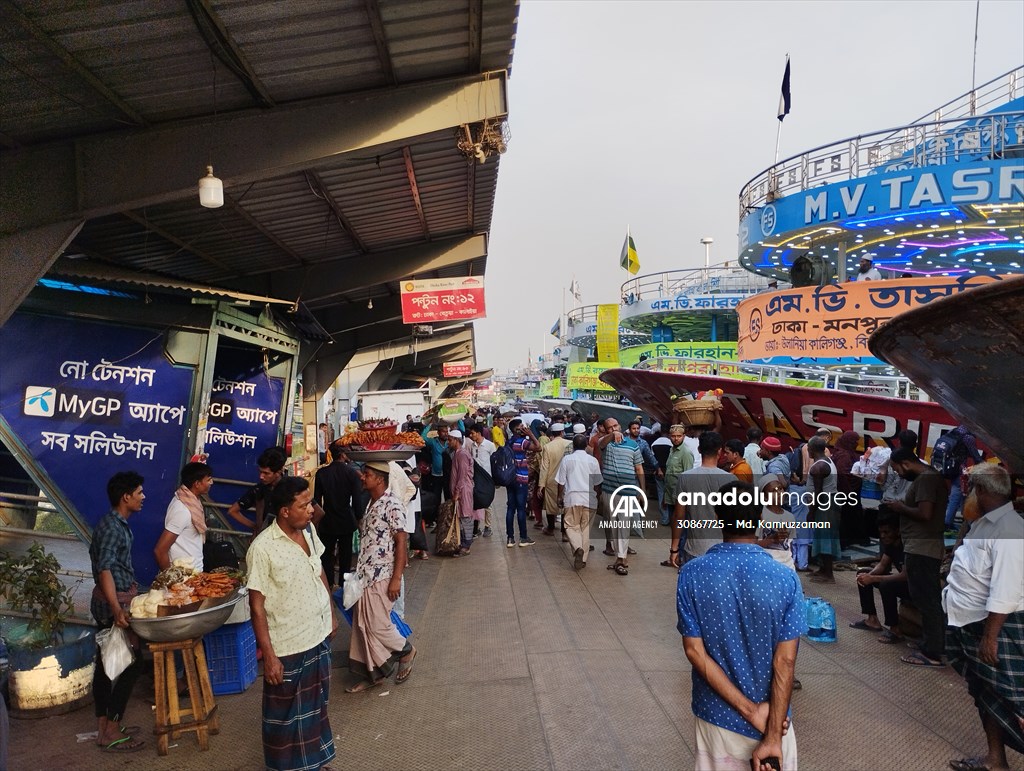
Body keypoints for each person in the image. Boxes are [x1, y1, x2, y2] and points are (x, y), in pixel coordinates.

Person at [677, 480, 804, 771]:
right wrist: (771, 733)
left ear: (717, 518)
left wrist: (749, 711)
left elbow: (695, 652)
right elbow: (785, 661)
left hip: (717, 718)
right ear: (759, 519)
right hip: (775, 722)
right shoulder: (786, 579)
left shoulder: (692, 574)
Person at [247, 477, 337, 771]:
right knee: (285, 718)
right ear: (285, 511)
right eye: (305, 505)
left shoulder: (308, 532)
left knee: (316, 709)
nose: (312, 509)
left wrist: (331, 613)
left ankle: (316, 762)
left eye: (310, 502)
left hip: (317, 635)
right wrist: (269, 656)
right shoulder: (263, 548)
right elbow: (257, 607)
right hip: (288, 645)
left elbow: (319, 569)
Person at [944, 464, 1024, 771]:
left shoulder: (1010, 531)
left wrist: (991, 637)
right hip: (971, 621)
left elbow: (1006, 589)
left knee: (1013, 700)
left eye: (970, 490)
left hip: (997, 627)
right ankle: (995, 761)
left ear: (982, 492)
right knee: (986, 693)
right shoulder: (984, 523)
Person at [346, 462, 416, 692]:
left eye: (367, 475)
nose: (362, 478)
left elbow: (401, 541)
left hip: (382, 575)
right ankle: (374, 675)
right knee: (362, 625)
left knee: (377, 625)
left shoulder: (392, 504)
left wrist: (396, 578)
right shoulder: (370, 504)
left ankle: (406, 650)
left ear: (379, 479)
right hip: (365, 574)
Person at [90, 471, 146, 754]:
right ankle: (111, 728)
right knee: (131, 663)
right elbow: (105, 569)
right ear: (126, 497)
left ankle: (103, 727)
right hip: (114, 604)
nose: (143, 497)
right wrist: (117, 609)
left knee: (105, 665)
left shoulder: (114, 523)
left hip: (110, 602)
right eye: (139, 492)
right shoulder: (113, 527)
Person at [887, 446, 949, 667]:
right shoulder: (930, 477)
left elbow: (925, 513)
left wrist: (899, 507)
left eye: (897, 469)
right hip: (921, 546)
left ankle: (932, 651)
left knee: (927, 598)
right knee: (924, 596)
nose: (899, 474)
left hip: (923, 548)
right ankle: (931, 643)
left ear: (905, 463)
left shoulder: (925, 480)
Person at [671, 431, 737, 567]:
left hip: (694, 549)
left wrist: (674, 548)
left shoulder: (685, 478)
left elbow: (679, 516)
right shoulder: (731, 479)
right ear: (719, 452)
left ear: (699, 449)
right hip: (724, 550)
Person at [848, 513, 909, 643]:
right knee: (863, 573)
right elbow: (882, 565)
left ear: (897, 531)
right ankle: (872, 620)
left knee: (886, 585)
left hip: (913, 585)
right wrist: (868, 576)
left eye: (887, 532)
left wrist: (874, 579)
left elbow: (905, 575)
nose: (883, 536)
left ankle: (895, 629)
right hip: (902, 581)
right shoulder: (891, 545)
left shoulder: (906, 546)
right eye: (881, 532)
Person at [597, 417, 644, 575]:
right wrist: (612, 435)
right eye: (610, 427)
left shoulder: (633, 445)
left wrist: (641, 491)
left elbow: (639, 469)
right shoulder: (606, 444)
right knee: (613, 524)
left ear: (620, 425)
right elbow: (601, 443)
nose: (614, 429)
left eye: (616, 425)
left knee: (623, 525)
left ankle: (621, 558)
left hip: (628, 492)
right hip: (609, 491)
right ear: (605, 430)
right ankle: (620, 556)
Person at [312, 441, 363, 587]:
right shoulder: (352, 474)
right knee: (345, 556)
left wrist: (316, 522)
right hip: (346, 520)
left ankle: (328, 583)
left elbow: (316, 500)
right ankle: (343, 585)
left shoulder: (322, 473)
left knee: (327, 555)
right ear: (342, 455)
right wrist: (359, 519)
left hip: (327, 520)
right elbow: (357, 501)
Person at [154, 461, 213, 572]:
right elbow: (160, 550)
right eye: (208, 480)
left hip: (193, 576)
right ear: (197, 484)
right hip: (184, 579)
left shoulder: (192, 503)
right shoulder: (182, 510)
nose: (211, 483)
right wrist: (172, 579)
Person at [556, 433, 603, 570]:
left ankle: (577, 548)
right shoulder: (593, 461)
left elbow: (561, 482)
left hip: (572, 498)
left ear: (573, 446)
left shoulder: (567, 460)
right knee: (585, 530)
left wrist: (559, 496)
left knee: (570, 526)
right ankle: (582, 559)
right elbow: (597, 483)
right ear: (586, 445)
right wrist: (597, 497)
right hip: (590, 500)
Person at [228, 447, 294, 531]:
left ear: (278, 472)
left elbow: (315, 511)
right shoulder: (259, 490)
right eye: (260, 472)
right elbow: (232, 511)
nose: (261, 476)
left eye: (266, 473)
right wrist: (256, 528)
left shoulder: (292, 488)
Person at [806, 436, 841, 584]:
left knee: (825, 536)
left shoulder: (818, 467)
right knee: (823, 535)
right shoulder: (828, 461)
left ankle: (829, 574)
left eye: (808, 448)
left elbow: (818, 492)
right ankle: (823, 569)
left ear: (812, 450)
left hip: (824, 504)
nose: (807, 450)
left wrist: (811, 512)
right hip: (829, 502)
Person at [506, 418, 537, 547]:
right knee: (521, 509)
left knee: (510, 508)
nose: (524, 427)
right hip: (521, 478)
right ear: (516, 429)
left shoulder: (508, 442)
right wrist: (530, 434)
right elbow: (538, 447)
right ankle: (523, 538)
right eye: (521, 426)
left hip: (510, 479)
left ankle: (510, 538)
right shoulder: (522, 442)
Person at [660, 424, 694, 534]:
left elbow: (688, 478)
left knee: (681, 529)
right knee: (674, 528)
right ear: (670, 436)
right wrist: (665, 497)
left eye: (679, 436)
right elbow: (669, 476)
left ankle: (679, 550)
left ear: (684, 436)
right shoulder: (672, 450)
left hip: (679, 497)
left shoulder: (686, 453)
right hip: (670, 496)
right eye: (673, 436)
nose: (676, 438)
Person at [539, 422, 571, 537]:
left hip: (551, 480)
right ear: (562, 432)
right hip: (567, 480)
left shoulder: (548, 446)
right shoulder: (570, 444)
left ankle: (551, 528)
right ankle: (564, 533)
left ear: (552, 433)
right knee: (565, 506)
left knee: (551, 506)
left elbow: (544, 467)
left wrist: (541, 485)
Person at [447, 430, 476, 554]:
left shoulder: (462, 454)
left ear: (456, 440)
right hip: (460, 490)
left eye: (450, 440)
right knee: (461, 516)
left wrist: (457, 492)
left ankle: (466, 545)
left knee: (465, 517)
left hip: (463, 490)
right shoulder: (457, 453)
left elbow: (462, 475)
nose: (448, 442)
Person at [467, 424, 497, 537]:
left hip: (487, 478)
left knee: (487, 503)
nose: (471, 435)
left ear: (479, 433)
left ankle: (488, 526)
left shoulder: (490, 445)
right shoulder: (472, 445)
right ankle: (476, 527)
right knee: (476, 502)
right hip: (476, 478)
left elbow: (495, 463)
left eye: (473, 433)